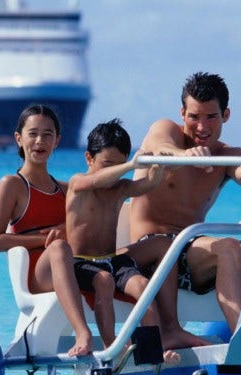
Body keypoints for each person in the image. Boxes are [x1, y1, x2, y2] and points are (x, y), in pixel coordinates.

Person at [126, 72, 241, 350]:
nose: (201, 126)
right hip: (153, 253)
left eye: (211, 117)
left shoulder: (224, 155)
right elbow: (158, 145)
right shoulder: (166, 131)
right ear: (182, 113)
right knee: (226, 246)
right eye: (194, 116)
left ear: (226, 115)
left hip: (193, 254)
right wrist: (184, 156)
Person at [60, 119, 178, 362]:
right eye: (107, 165)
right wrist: (131, 165)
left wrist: (158, 166)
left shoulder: (120, 188)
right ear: (88, 159)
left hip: (112, 261)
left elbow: (149, 184)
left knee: (144, 287)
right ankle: (112, 346)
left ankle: (151, 351)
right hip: (80, 263)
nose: (113, 172)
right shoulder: (78, 183)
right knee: (103, 280)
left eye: (121, 164)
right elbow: (96, 180)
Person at [0, 104, 88, 357]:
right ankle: (82, 332)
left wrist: (65, 229)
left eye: (47, 134)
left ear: (57, 141)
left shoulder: (65, 189)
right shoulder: (12, 185)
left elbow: (87, 227)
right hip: (35, 275)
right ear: (19, 138)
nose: (39, 141)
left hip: (66, 269)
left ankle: (120, 346)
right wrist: (44, 239)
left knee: (107, 277)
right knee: (59, 247)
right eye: (32, 133)